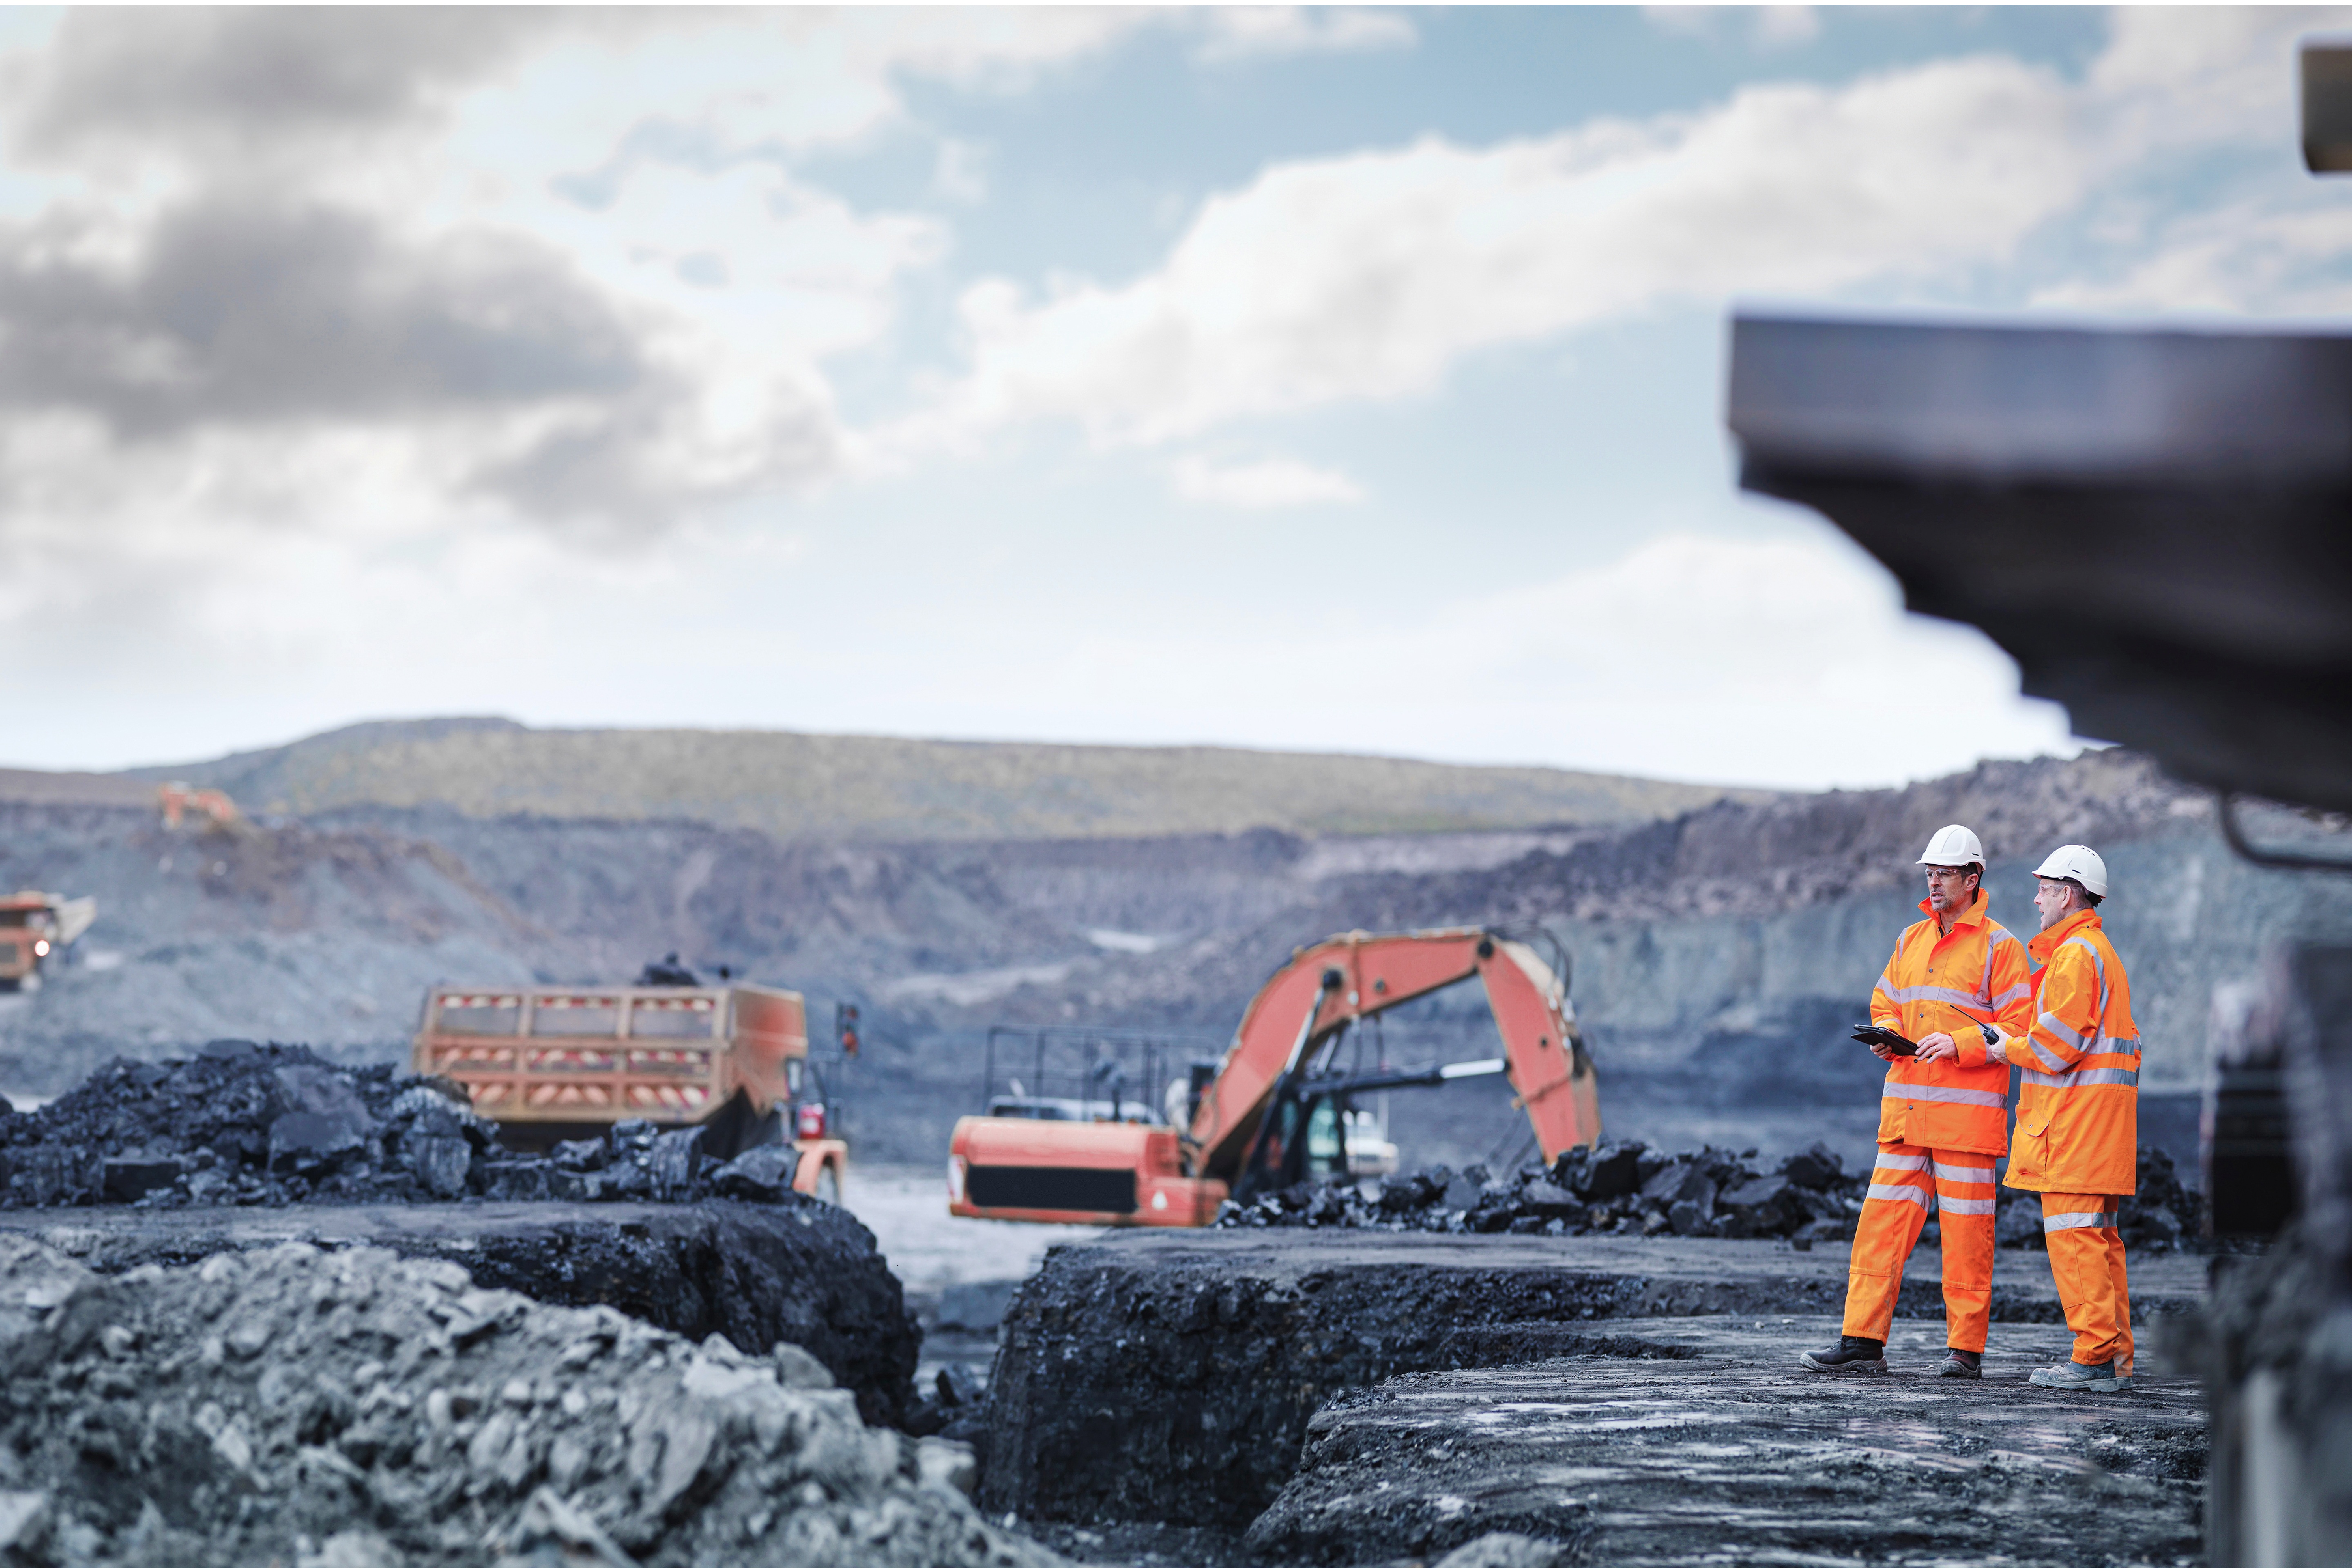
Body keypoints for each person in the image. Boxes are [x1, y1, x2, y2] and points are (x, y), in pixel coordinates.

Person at [1802, 825, 2033, 1378]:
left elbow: (2020, 1030)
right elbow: (1888, 998)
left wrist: (1960, 1042)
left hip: (1964, 1123)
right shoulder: (1911, 940)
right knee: (1879, 1229)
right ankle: (1861, 1343)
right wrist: (1886, 1032)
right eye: (1929, 872)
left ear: (1972, 878)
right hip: (1907, 1117)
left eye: (1944, 874)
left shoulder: (2001, 948)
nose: (1933, 881)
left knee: (1966, 1241)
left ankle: (1965, 1354)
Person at [1994, 845, 2140, 1392]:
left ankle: (2095, 1357)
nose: (2036, 898)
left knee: (2076, 1240)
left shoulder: (2076, 955)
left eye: (2045, 888)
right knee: (2099, 1243)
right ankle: (2114, 1357)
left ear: (2068, 892)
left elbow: (2055, 1048)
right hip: (2097, 1130)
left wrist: (2005, 1045)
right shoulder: (2098, 951)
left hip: (2074, 1129)